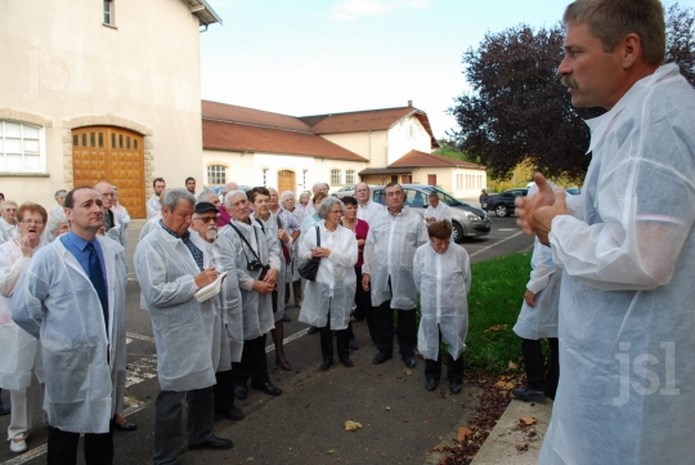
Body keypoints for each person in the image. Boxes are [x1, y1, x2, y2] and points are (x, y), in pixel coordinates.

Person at [514, 1, 695, 464]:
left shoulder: (651, 128)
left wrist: (557, 226)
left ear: (629, 49)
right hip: (628, 376)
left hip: (634, 390)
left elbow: (640, 256)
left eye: (575, 51)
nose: (563, 67)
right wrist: (563, 211)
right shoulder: (643, 117)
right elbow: (635, 224)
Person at [11, 187, 127, 465]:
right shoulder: (48, 257)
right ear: (68, 213)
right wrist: (57, 338)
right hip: (67, 362)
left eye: (99, 203)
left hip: (106, 354)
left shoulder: (112, 250)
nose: (97, 208)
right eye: (87, 204)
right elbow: (24, 309)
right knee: (65, 436)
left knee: (101, 430)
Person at [135, 188, 233, 464]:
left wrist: (213, 277)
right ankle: (165, 454)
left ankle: (201, 434)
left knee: (204, 381)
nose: (189, 220)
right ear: (165, 212)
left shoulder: (192, 238)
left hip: (203, 319)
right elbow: (155, 293)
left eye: (192, 215)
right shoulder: (151, 245)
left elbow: (205, 268)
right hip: (177, 328)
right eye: (183, 215)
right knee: (173, 391)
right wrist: (196, 282)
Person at [216, 190, 282, 400]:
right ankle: (239, 381)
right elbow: (230, 268)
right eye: (237, 204)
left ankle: (261, 379)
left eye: (244, 201)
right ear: (228, 209)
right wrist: (253, 284)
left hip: (263, 289)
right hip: (243, 295)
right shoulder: (225, 234)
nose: (242, 206)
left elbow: (274, 249)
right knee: (241, 338)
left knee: (260, 336)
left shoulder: (259, 227)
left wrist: (274, 268)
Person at [189, 202, 245, 423]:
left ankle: (226, 403)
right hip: (206, 313)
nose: (212, 223)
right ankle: (206, 411)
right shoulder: (189, 247)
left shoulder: (225, 242)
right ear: (194, 222)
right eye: (205, 219)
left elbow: (236, 270)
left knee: (227, 360)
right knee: (207, 363)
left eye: (215, 218)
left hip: (229, 309)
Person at [362, 182, 428, 367]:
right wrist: (367, 271)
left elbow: (423, 247)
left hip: (406, 274)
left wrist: (422, 273)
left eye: (398, 193)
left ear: (403, 195)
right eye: (390, 194)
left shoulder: (415, 219)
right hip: (381, 273)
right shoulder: (378, 218)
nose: (394, 197)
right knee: (382, 312)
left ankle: (407, 351)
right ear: (385, 198)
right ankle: (385, 349)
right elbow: (369, 245)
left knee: (406, 312)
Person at [0, 202, 47, 453]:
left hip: (45, 323)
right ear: (17, 223)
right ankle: (18, 430)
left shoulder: (50, 250)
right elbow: (5, 287)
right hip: (15, 325)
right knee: (19, 380)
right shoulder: (5, 251)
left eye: (38, 221)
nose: (33, 225)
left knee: (49, 374)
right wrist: (25, 258)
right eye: (28, 220)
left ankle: (53, 417)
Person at [298, 197, 357, 370]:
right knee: (323, 322)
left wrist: (330, 253)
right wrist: (312, 254)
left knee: (343, 321)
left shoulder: (348, 234)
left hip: (342, 284)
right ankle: (327, 357)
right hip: (321, 284)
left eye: (340, 211)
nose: (339, 215)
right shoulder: (313, 231)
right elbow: (302, 252)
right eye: (335, 211)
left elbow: (351, 260)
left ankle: (344, 354)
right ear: (325, 213)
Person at [414, 220, 470, 394]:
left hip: (454, 308)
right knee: (432, 341)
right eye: (438, 243)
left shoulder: (459, 253)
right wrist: (428, 298)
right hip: (431, 307)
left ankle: (455, 377)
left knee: (456, 340)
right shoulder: (421, 253)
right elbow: (418, 280)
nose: (443, 246)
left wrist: (454, 299)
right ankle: (432, 375)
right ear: (430, 239)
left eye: (446, 241)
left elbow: (466, 280)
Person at [512, 235, 560, 402]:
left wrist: (533, 287)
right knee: (557, 336)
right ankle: (555, 385)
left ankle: (536, 386)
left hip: (547, 284)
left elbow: (546, 261)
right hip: (559, 283)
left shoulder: (546, 217)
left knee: (528, 333)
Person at [250, 187, 292, 371]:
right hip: (257, 275)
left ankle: (280, 354)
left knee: (278, 314)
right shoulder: (249, 223)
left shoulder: (278, 219)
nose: (264, 204)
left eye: (266, 200)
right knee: (257, 317)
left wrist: (287, 238)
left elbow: (289, 243)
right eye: (259, 201)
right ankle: (257, 361)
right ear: (252, 204)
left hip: (277, 272)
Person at [340, 196, 372, 341]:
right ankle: (348, 336)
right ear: (342, 210)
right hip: (343, 269)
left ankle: (375, 336)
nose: (353, 210)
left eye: (354, 207)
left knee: (365, 300)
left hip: (361, 267)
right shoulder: (338, 225)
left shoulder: (364, 225)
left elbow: (370, 245)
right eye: (349, 208)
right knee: (345, 303)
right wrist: (356, 244)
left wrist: (360, 244)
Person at [280, 190, 306, 308]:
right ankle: (285, 301)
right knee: (285, 274)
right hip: (285, 247)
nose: (290, 201)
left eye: (291, 199)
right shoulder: (281, 214)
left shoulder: (300, 213)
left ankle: (298, 299)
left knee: (297, 274)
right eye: (287, 200)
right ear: (283, 202)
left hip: (297, 245)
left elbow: (302, 229)